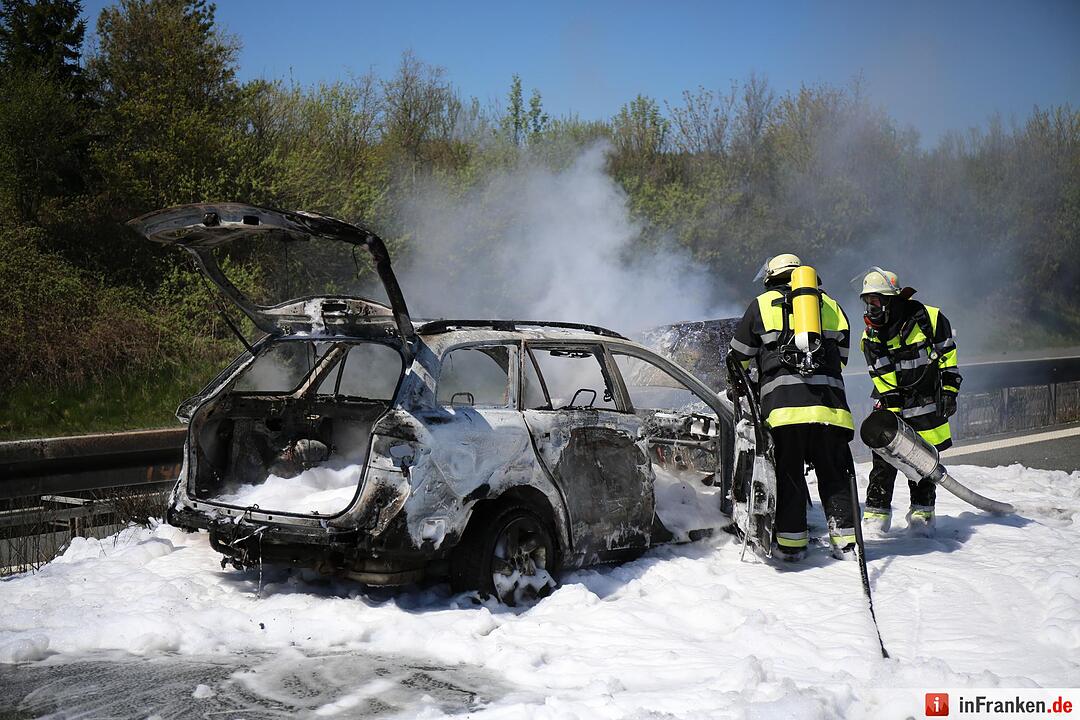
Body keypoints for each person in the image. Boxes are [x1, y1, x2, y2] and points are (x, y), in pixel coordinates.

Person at [728, 253, 858, 561]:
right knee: (834, 474)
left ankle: (792, 546)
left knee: (789, 476)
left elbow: (737, 358)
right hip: (830, 410)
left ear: (771, 277)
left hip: (785, 411)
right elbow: (841, 357)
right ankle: (846, 543)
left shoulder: (761, 305)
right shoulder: (831, 306)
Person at [858, 268, 962, 536]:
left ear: (892, 300)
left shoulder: (930, 318)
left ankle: (922, 519)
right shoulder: (871, 335)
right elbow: (881, 373)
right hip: (893, 404)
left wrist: (950, 390)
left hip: (926, 404)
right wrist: (891, 415)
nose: (871, 308)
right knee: (884, 462)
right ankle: (875, 521)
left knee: (924, 463)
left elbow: (948, 353)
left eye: (876, 301)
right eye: (867, 302)